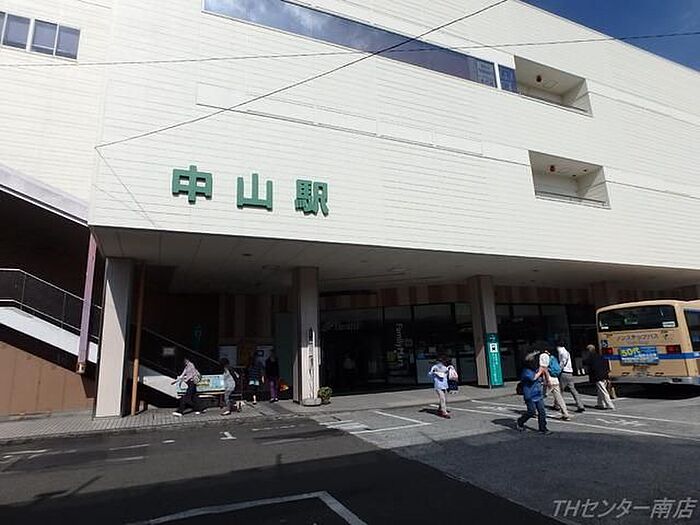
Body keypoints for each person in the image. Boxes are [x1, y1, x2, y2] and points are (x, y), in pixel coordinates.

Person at [516, 352, 550, 434]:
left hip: (538, 393)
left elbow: (543, 376)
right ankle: (520, 421)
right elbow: (533, 378)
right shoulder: (526, 371)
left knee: (542, 411)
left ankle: (543, 428)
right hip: (529, 394)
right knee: (531, 411)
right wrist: (540, 371)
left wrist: (546, 374)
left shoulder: (536, 369)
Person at [539, 348, 570, 420]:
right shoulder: (553, 358)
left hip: (548, 381)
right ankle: (565, 413)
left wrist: (547, 380)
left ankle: (534, 410)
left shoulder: (543, 357)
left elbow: (544, 369)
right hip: (555, 380)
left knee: (541, 396)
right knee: (559, 398)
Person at [556, 341, 585, 413]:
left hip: (564, 373)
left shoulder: (561, 352)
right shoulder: (567, 352)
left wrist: (558, 370)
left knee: (560, 391)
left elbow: (562, 363)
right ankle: (580, 405)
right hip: (570, 373)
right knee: (573, 390)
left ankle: (557, 405)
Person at [584, 344, 615, 410]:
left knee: (603, 391)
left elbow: (585, 363)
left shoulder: (591, 357)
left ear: (589, 351)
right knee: (600, 391)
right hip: (604, 376)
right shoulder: (600, 356)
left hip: (598, 377)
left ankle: (610, 405)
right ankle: (600, 404)